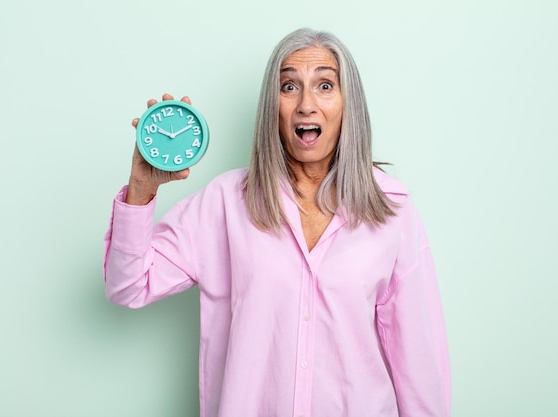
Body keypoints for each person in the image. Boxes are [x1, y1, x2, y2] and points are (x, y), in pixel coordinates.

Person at [104, 28, 451, 417]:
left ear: (348, 103)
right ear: (273, 104)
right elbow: (128, 286)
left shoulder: (392, 210)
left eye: (324, 84)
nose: (306, 104)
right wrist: (141, 187)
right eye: (289, 86)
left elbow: (419, 361)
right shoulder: (224, 203)